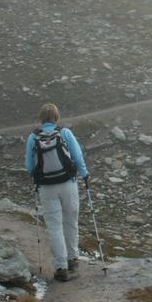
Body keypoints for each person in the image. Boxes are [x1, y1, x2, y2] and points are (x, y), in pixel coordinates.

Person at [25, 103, 89, 282]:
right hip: (68, 183)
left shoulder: (33, 137)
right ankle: (72, 258)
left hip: (46, 187)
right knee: (71, 220)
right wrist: (84, 174)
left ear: (41, 118)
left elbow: (29, 166)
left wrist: (38, 177)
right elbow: (77, 156)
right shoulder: (65, 133)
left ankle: (60, 267)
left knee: (54, 226)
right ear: (56, 117)